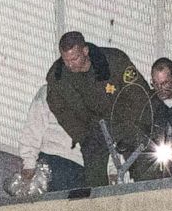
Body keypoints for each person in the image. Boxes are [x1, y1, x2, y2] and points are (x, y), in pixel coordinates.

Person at [45, 31, 148, 187]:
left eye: (74, 59)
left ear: (85, 51)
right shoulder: (58, 76)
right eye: (66, 60)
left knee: (145, 167)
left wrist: (132, 125)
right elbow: (60, 110)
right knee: (93, 178)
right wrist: (82, 135)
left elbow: (139, 94)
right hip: (92, 129)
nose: (70, 65)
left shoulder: (114, 61)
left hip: (124, 121)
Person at [16, 84, 86, 192]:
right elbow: (33, 129)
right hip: (52, 163)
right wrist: (29, 164)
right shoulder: (49, 91)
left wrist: (111, 170)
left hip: (83, 169)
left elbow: (107, 135)